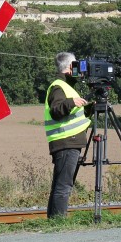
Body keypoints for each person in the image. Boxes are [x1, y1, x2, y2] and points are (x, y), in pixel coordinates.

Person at [45, 52, 91, 219]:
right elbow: (56, 110)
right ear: (69, 68)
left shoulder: (68, 87)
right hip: (66, 141)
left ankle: (53, 220)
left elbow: (75, 116)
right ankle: (58, 221)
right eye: (77, 65)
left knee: (60, 185)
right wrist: (72, 102)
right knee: (63, 185)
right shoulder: (59, 86)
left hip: (68, 141)